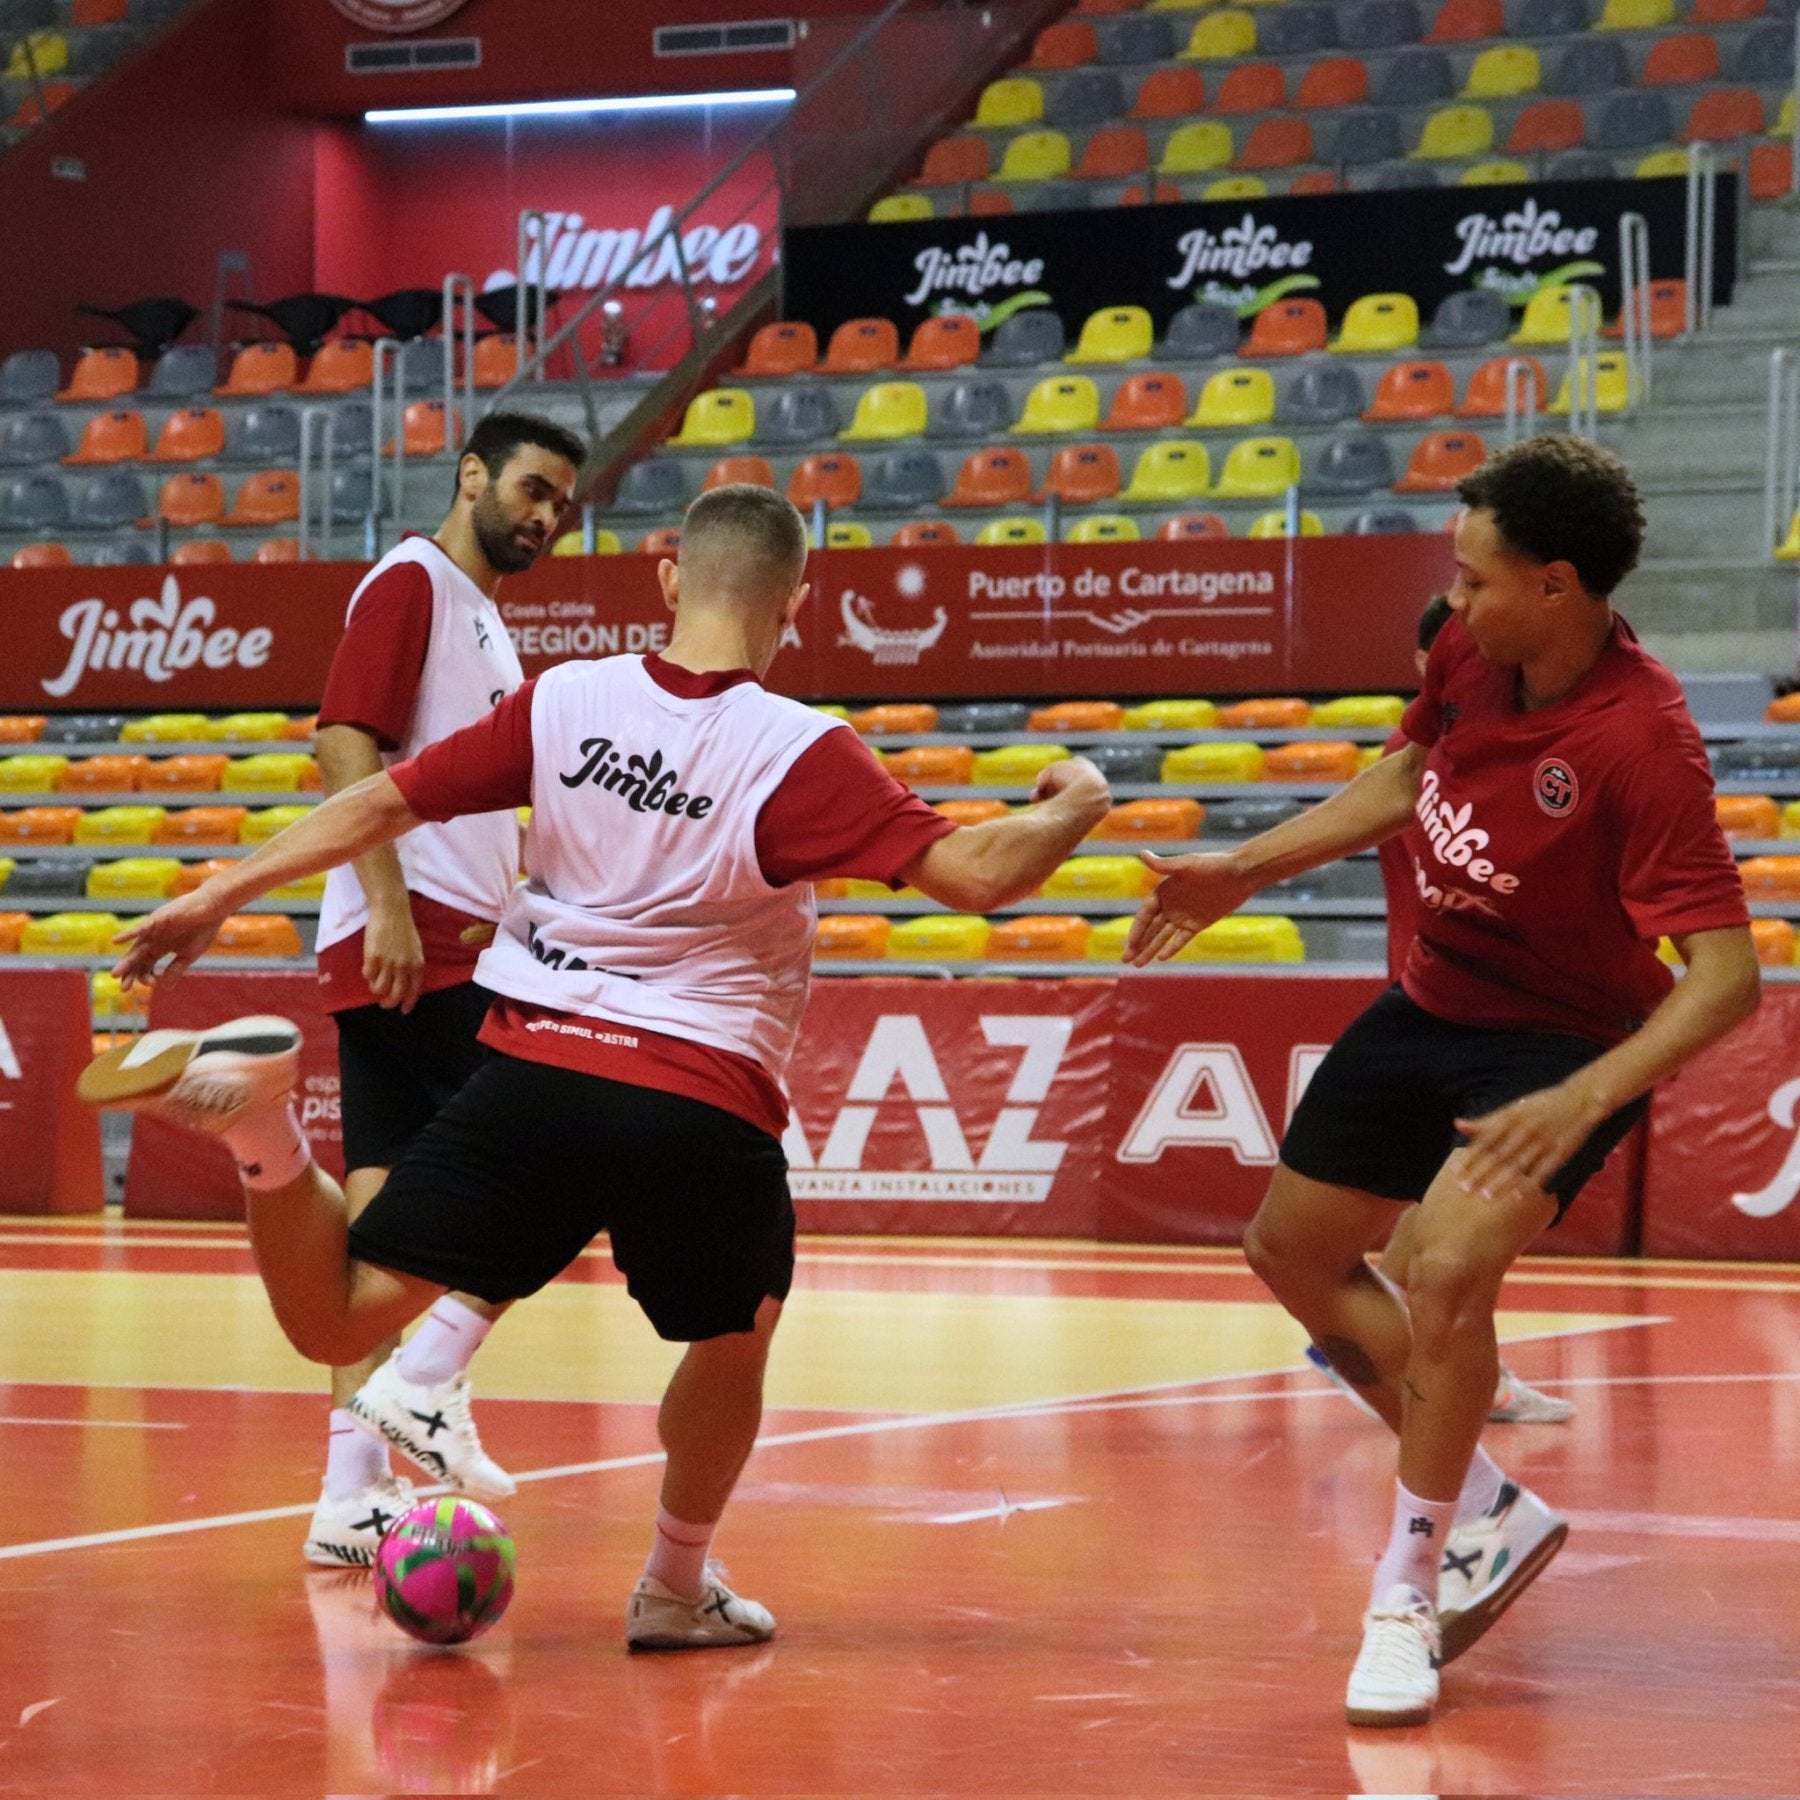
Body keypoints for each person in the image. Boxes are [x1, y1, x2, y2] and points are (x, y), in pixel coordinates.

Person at [80, 484, 1114, 1650]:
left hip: (535, 1070)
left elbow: (381, 800)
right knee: (733, 1339)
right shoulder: (801, 749)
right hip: (696, 1096)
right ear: (796, 608)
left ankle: (264, 1140)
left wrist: (217, 892)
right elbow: (979, 876)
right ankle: (676, 1584)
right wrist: (1080, 801)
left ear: (668, 578)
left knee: (338, 1319)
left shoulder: (565, 701)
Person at [1128, 436, 1759, 1727]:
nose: (1451, 603)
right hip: (1434, 997)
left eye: (1476, 580)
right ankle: (1485, 1507)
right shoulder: (1471, 651)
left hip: (1562, 1046)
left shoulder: (1648, 745)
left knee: (1452, 1266)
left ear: (1559, 586)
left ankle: (1409, 1586)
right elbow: (1412, 775)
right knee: (1289, 1253)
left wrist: (1587, 1097)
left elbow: (1727, 977)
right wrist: (1246, 868)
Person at [302, 410, 586, 1570]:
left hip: (431, 945)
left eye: (561, 504)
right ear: (470, 475)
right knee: (569, 1146)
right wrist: (389, 908)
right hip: (417, 946)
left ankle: (347, 1494)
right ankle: (428, 1383)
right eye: (530, 488)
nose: (544, 515)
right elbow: (342, 745)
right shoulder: (412, 583)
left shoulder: (488, 626)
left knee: (377, 1241)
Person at [1305, 593, 1576, 1430]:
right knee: (1458, 1226)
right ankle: (1443, 1369)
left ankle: (1379, 1332)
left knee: (1439, 1216)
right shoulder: (1425, 757)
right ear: (1435, 664)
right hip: (1441, 1005)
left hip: (1449, 1004)